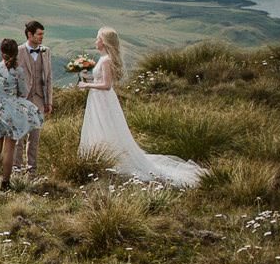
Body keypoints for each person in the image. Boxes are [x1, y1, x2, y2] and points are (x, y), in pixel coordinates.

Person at [76, 27, 206, 187]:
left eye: (98, 39)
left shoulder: (107, 60)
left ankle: (109, 158)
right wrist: (87, 77)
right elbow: (101, 79)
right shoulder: (103, 59)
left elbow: (107, 85)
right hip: (98, 100)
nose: (96, 41)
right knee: (101, 126)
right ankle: (100, 157)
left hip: (103, 99)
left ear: (104, 42)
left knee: (107, 126)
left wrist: (87, 85)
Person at [0, 36, 41, 189]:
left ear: (1, 53)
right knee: (10, 149)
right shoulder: (18, 72)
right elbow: (23, 93)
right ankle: (5, 182)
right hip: (12, 114)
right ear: (16, 53)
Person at [18, 19, 54, 173]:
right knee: (19, 135)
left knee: (35, 135)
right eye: (39, 34)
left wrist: (49, 101)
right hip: (21, 99)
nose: (41, 37)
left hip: (39, 99)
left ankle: (32, 169)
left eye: (42, 34)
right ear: (29, 34)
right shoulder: (18, 51)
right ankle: (16, 167)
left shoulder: (46, 51)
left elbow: (49, 77)